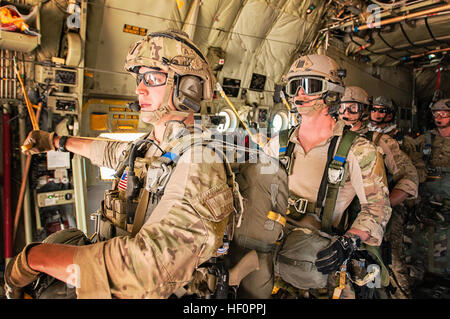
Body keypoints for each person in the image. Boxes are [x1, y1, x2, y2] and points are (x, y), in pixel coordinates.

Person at [4, 29, 242, 299]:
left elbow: (146, 269)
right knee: (64, 240)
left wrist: (35, 258)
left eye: (152, 78)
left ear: (188, 87)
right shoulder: (150, 145)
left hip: (153, 290)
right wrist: (55, 140)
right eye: (139, 78)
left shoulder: (200, 160)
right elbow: (109, 151)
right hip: (117, 257)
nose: (139, 88)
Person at [263, 55, 392, 299]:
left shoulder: (359, 150)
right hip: (275, 254)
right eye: (294, 86)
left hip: (323, 263)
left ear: (331, 92)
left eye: (310, 85)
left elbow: (377, 208)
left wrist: (348, 243)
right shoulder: (276, 145)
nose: (300, 93)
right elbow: (258, 194)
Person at [338, 86, 419, 298]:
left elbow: (409, 178)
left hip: (377, 218)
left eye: (353, 108)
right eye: (342, 108)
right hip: (341, 219)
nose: (346, 114)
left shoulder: (380, 141)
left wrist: (381, 207)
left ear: (364, 111)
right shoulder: (332, 141)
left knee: (391, 265)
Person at [402, 98, 450, 294]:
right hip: (426, 206)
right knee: (418, 249)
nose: (439, 118)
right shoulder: (424, 141)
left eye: (444, 114)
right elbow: (409, 167)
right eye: (435, 114)